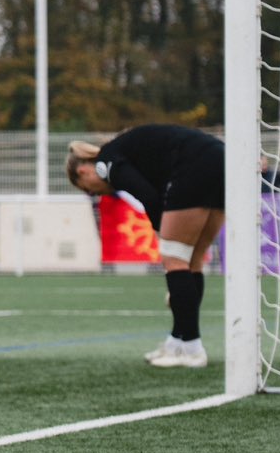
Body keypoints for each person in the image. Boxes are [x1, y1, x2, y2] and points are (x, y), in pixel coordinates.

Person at [66, 125, 226, 368]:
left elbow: (148, 197)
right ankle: (178, 342)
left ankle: (192, 348)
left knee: (174, 257)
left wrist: (162, 232)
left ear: (84, 171)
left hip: (194, 166)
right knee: (191, 260)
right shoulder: (122, 152)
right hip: (220, 160)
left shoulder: (106, 164)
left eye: (89, 190)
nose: (96, 194)